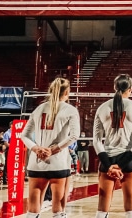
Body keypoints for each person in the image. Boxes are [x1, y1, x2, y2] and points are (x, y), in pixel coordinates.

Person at [21, 78, 80, 218]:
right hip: (58, 162)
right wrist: (53, 150)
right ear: (67, 92)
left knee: (33, 210)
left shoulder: (39, 109)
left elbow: (24, 136)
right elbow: (74, 136)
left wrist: (36, 149)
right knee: (58, 209)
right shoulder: (70, 110)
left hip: (37, 162)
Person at [93, 74, 132, 218]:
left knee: (102, 206)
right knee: (130, 204)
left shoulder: (102, 108)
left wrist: (110, 165)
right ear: (130, 89)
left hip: (107, 160)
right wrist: (121, 165)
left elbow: (96, 141)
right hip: (128, 160)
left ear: (114, 87)